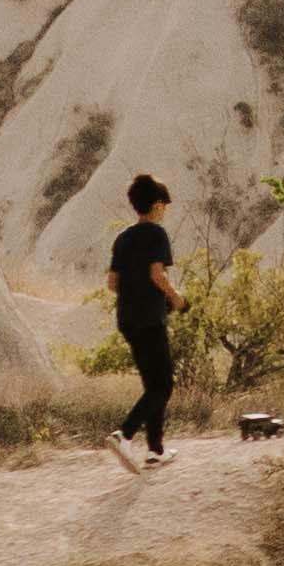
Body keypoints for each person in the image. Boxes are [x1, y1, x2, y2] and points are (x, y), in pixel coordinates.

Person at [108, 170, 182, 464]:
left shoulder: (122, 238)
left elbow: (112, 282)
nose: (165, 212)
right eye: (164, 207)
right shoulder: (156, 234)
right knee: (163, 385)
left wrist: (133, 294)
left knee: (153, 385)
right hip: (151, 318)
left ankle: (155, 450)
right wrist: (175, 298)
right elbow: (157, 274)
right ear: (157, 205)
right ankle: (124, 434)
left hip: (127, 319)